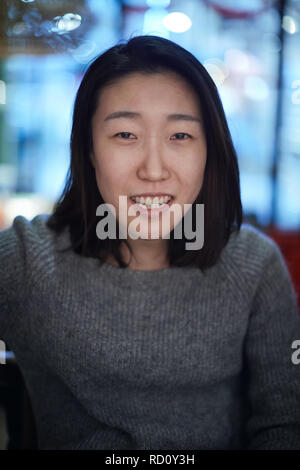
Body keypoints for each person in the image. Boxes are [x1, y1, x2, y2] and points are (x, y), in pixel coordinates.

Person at [0, 35, 299, 451]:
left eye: (180, 136)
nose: (154, 170)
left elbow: (286, 423)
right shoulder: (28, 259)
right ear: (87, 149)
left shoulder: (253, 265)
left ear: (209, 150)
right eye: (125, 135)